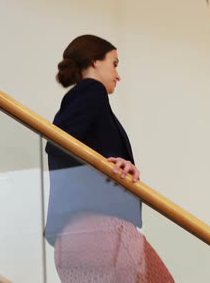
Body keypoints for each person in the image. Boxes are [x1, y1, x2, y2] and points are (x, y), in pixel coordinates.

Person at [44, 35, 174, 282]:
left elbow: (61, 143)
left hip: (69, 243)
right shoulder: (91, 91)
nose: (118, 74)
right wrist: (104, 165)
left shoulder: (80, 99)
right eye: (114, 63)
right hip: (101, 230)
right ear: (94, 62)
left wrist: (106, 163)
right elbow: (58, 142)